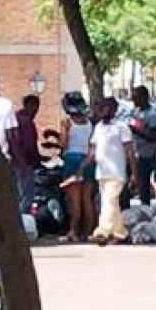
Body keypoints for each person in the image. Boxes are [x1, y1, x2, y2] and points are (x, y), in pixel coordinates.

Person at [84, 97, 133, 246]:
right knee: (111, 204)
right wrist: (82, 168)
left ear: (114, 110)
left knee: (109, 201)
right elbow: (92, 151)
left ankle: (101, 232)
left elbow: (129, 151)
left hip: (116, 172)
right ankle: (121, 233)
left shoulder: (121, 127)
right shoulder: (98, 127)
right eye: (101, 107)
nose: (103, 110)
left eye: (107, 108)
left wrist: (134, 174)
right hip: (102, 172)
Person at [60, 101, 96, 243]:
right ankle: (88, 231)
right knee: (87, 199)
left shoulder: (67, 122)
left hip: (71, 160)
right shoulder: (90, 123)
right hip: (88, 160)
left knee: (74, 200)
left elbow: (64, 144)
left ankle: (73, 231)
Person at [8, 94, 43, 214]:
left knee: (16, 195)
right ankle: (24, 222)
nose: (37, 111)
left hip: (13, 162)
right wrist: (38, 160)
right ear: (30, 106)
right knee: (26, 195)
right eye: (36, 107)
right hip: (25, 163)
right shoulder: (26, 121)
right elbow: (29, 145)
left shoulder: (14, 118)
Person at [125, 86, 156, 208]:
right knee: (128, 183)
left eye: (136, 98)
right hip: (132, 153)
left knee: (143, 185)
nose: (134, 101)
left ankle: (145, 210)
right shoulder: (134, 111)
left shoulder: (152, 114)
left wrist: (138, 130)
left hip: (145, 155)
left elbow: (154, 135)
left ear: (144, 98)